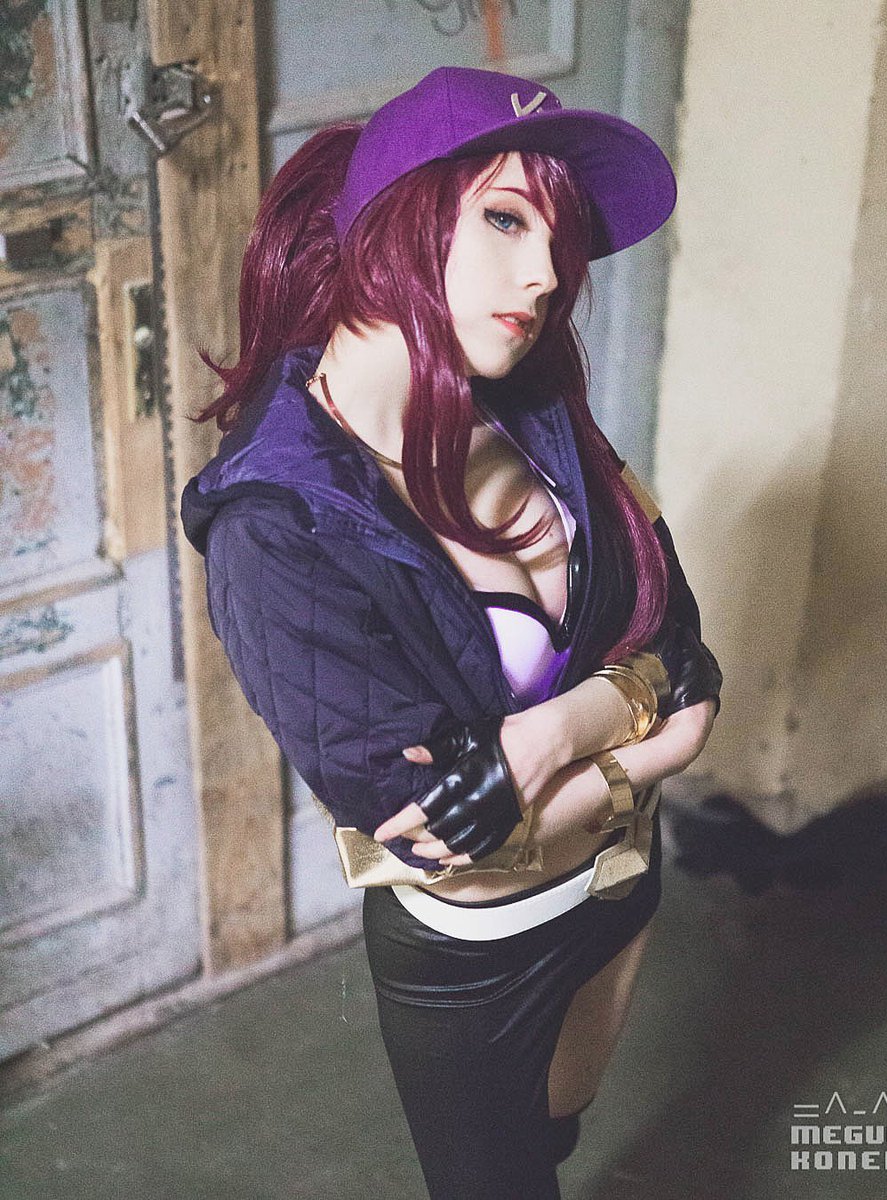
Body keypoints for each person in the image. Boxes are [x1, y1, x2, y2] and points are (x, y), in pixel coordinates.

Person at [180, 66, 721, 1199]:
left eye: (559, 239)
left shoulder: (537, 408)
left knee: (558, 1139)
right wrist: (652, 742)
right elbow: (440, 840)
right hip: (479, 952)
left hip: (625, 876)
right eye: (507, 219)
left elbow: (681, 645)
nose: (548, 274)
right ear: (395, 220)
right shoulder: (275, 523)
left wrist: (549, 737)